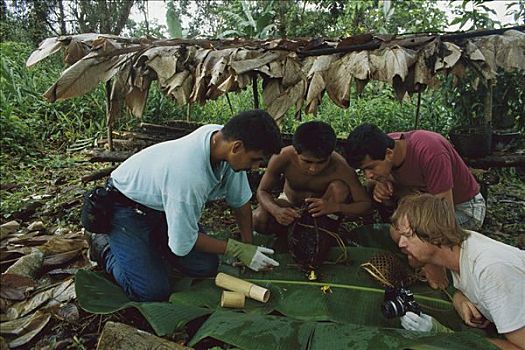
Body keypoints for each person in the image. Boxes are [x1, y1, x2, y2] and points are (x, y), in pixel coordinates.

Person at [86, 110, 283, 301]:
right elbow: (182, 245)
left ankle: (153, 242)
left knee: (205, 265)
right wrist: (237, 249)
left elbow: (240, 203)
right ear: (237, 147)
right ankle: (103, 245)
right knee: (152, 290)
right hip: (127, 209)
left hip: (162, 206)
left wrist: (248, 247)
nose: (256, 167)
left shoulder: (223, 140)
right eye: (255, 159)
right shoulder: (189, 175)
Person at [345, 123, 486, 288]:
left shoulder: (430, 151)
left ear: (389, 154)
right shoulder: (384, 145)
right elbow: (374, 179)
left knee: (399, 234)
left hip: (463, 208)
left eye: (370, 168)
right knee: (402, 234)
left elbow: (442, 216)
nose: (368, 175)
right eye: (363, 170)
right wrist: (379, 184)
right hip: (424, 204)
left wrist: (431, 263)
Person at [391, 194, 525, 350]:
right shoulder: (460, 251)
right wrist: (459, 298)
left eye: (408, 235)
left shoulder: (491, 270)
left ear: (434, 234)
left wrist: (448, 339)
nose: (401, 244)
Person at [253, 121, 371, 236]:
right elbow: (262, 191)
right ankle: (288, 237)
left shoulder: (342, 167)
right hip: (289, 203)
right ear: (295, 151)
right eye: (307, 161)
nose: (313, 168)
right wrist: (276, 210)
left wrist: (336, 207)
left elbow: (365, 204)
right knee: (259, 218)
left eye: (321, 162)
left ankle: (324, 233)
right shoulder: (282, 157)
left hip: (322, 215)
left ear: (330, 154)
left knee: (339, 188)